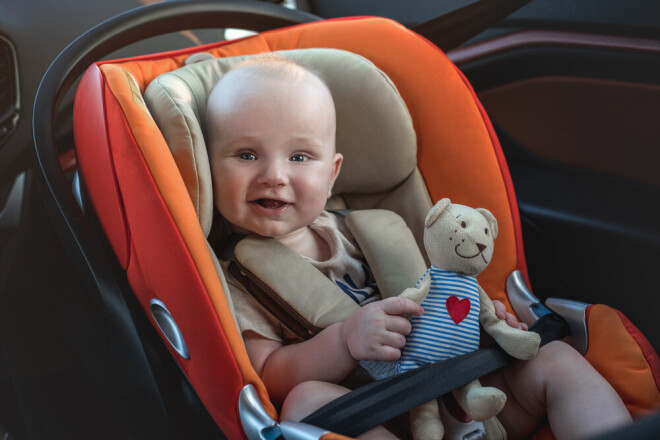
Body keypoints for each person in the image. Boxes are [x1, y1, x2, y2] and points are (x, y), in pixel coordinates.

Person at [205, 54, 631, 440]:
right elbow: (268, 376)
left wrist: (481, 323)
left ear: (333, 173)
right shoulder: (236, 278)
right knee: (303, 403)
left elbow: (439, 288)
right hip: (377, 415)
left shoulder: (361, 230)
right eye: (246, 155)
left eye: (299, 157)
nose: (274, 175)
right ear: (209, 166)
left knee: (553, 358)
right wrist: (344, 340)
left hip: (469, 399)